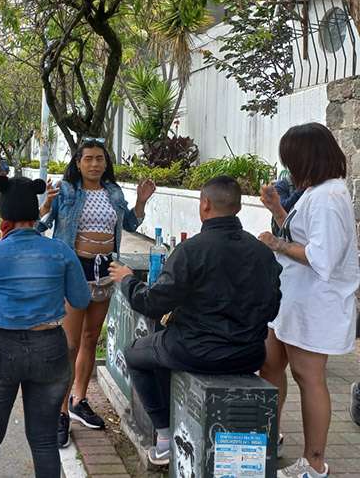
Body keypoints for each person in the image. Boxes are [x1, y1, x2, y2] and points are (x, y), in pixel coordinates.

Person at [108, 175, 282, 465]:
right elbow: (271, 310)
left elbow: (152, 303)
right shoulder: (262, 253)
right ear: (238, 208)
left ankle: (164, 437)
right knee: (161, 349)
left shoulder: (191, 250)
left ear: (204, 206)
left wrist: (128, 280)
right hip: (248, 355)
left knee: (136, 353)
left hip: (194, 351)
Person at [0, 176, 90, 478]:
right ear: (36, 213)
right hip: (50, 349)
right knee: (44, 440)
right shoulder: (61, 252)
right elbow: (81, 299)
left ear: (4, 215)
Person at [36, 136, 156, 448]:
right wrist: (47, 204)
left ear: (106, 163)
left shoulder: (114, 192)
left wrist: (141, 200)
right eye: (87, 158)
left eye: (99, 159)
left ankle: (79, 399)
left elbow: (129, 223)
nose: (93, 164)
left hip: (104, 273)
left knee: (91, 338)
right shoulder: (66, 191)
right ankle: (60, 411)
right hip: (73, 271)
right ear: (77, 163)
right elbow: (39, 226)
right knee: (70, 344)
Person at [256, 123, 359, 478]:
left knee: (307, 376)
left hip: (315, 305)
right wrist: (278, 210)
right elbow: (301, 234)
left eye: (290, 160)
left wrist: (276, 243)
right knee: (270, 365)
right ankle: (268, 436)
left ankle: (314, 463)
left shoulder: (330, 198)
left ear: (307, 159)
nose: (288, 168)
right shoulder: (316, 193)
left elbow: (322, 257)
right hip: (290, 301)